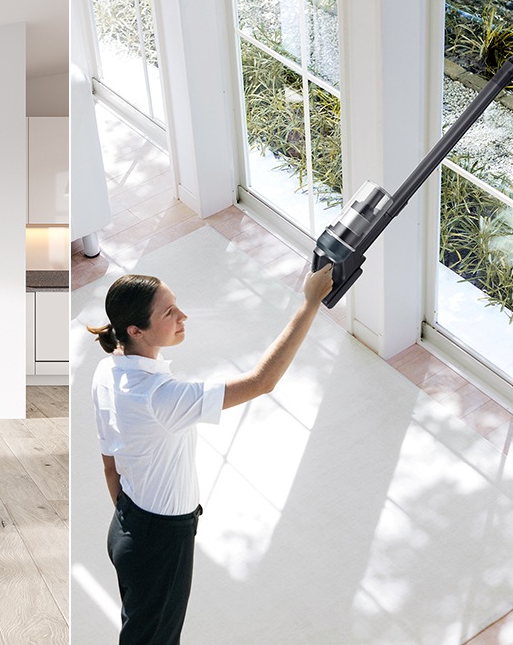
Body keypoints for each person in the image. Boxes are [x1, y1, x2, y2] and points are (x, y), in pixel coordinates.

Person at [87, 264, 334, 644]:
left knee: (145, 630)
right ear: (135, 331)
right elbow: (261, 381)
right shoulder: (160, 396)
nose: (182, 316)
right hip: (157, 542)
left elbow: (110, 466)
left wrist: (135, 525)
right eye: (168, 313)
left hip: (128, 527)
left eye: (176, 305)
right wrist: (310, 303)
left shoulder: (107, 372)